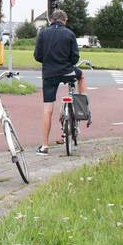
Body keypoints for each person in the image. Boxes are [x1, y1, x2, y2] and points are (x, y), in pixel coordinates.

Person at [33, 9, 86, 155]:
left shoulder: (43, 33)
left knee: (48, 109)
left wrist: (48, 61)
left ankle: (44, 146)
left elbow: (37, 56)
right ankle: (83, 105)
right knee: (81, 76)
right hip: (67, 71)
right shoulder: (69, 34)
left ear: (51, 20)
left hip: (49, 74)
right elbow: (75, 57)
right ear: (65, 20)